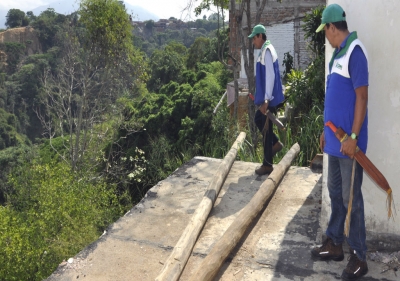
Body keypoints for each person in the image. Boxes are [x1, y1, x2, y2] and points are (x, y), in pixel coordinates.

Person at [311, 4, 369, 280]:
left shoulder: (355, 52)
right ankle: (335, 244)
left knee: (351, 200)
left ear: (333, 28)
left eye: (326, 31)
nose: (326, 36)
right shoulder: (337, 55)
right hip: (333, 142)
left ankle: (359, 256)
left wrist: (354, 137)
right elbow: (333, 98)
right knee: (335, 194)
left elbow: (362, 97)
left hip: (348, 144)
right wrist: (325, 130)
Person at [248, 24, 284, 176]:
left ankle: (267, 165)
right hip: (268, 97)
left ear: (261, 36)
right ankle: (275, 144)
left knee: (265, 127)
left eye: (254, 38)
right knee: (261, 122)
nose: (253, 41)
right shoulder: (264, 50)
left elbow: (270, 76)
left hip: (270, 98)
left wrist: (266, 100)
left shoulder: (267, 51)